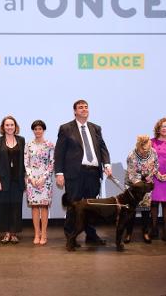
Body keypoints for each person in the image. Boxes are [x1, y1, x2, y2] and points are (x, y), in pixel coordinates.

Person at [55, 99, 112, 246]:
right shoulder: (66, 128)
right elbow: (59, 152)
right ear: (75, 111)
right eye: (80, 107)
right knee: (74, 206)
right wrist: (59, 173)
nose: (84, 109)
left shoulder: (95, 128)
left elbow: (103, 148)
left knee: (91, 207)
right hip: (75, 174)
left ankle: (91, 235)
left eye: (86, 107)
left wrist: (106, 163)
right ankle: (70, 237)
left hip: (93, 174)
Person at [0, 116, 26, 244]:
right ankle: (6, 233)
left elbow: (25, 160)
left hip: (17, 180)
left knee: (16, 207)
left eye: (12, 125)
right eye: (7, 125)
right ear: (3, 127)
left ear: (15, 126)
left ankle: (13, 233)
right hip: (3, 180)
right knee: (3, 207)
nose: (9, 127)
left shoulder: (21, 140)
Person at [24, 120, 55, 245]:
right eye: (35, 129)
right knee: (35, 207)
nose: (38, 131)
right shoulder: (28, 144)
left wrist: (43, 178)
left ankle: (44, 234)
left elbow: (52, 163)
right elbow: (26, 163)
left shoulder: (50, 145)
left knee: (44, 206)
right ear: (33, 130)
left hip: (45, 180)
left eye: (40, 129)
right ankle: (37, 234)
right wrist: (31, 177)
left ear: (44, 130)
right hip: (32, 180)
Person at [124, 135, 159, 244]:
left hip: (146, 185)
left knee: (145, 210)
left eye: (148, 149)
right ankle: (128, 233)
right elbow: (132, 175)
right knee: (131, 211)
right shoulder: (132, 156)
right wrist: (142, 184)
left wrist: (151, 175)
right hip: (134, 185)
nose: (146, 151)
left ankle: (145, 232)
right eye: (143, 149)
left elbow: (156, 165)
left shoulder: (153, 152)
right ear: (138, 146)